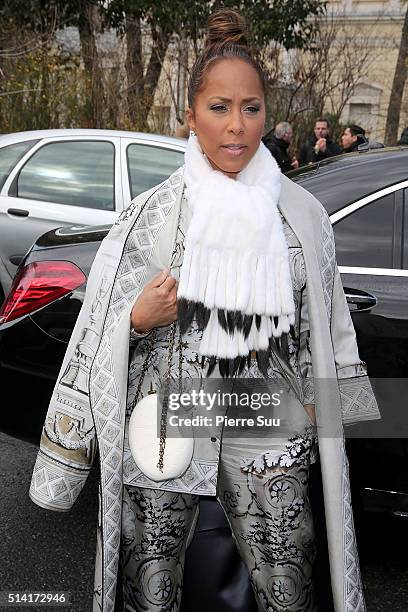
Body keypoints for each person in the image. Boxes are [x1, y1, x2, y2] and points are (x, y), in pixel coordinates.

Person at [29, 8, 380, 612]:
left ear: (268, 112)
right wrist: (136, 321)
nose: (236, 127)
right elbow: (95, 332)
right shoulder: (152, 217)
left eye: (251, 108)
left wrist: (318, 404)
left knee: (285, 588)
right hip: (164, 432)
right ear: (189, 116)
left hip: (271, 430)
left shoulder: (302, 218)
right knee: (153, 589)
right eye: (219, 108)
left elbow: (327, 329)